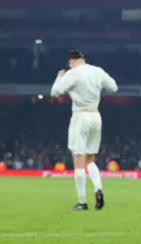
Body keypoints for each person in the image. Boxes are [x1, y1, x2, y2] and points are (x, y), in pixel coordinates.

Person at [50, 50, 118, 211]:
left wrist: (60, 77)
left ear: (71, 62)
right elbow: (114, 87)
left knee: (78, 161)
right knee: (90, 159)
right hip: (96, 116)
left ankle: (82, 202)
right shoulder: (97, 70)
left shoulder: (73, 73)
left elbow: (55, 93)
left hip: (80, 117)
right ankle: (98, 188)